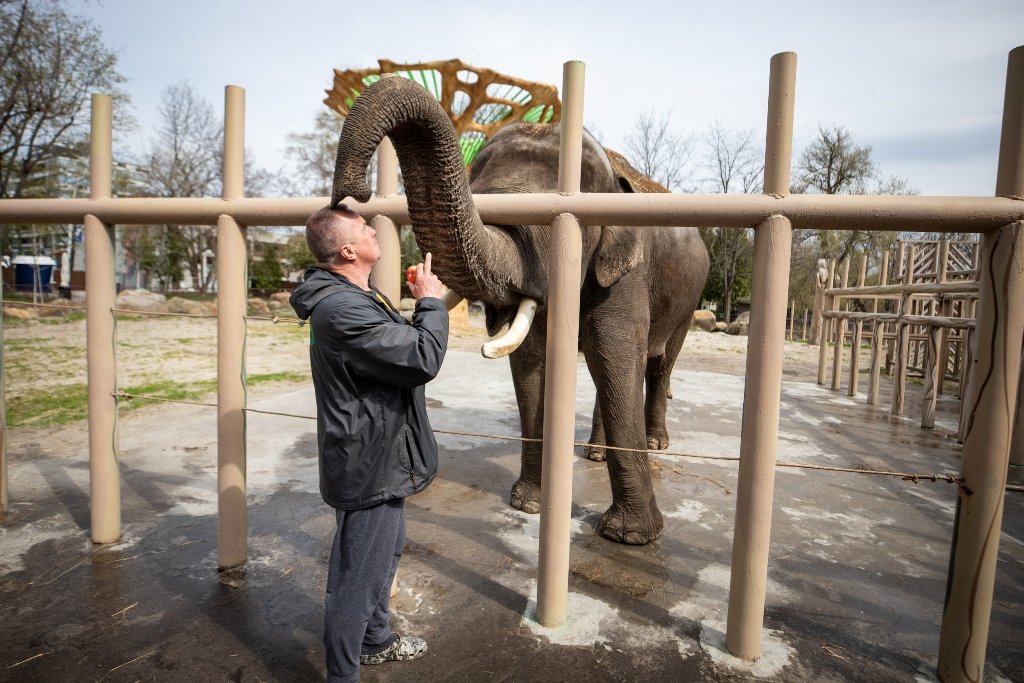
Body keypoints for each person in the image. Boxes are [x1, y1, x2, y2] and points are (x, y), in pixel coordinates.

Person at [289, 204, 449, 683]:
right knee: (356, 578)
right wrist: (431, 303)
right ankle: (342, 674)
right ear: (348, 249)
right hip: (369, 459)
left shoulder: (356, 295)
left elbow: (394, 346)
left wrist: (422, 302)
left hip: (379, 451)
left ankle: (376, 640)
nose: (373, 230)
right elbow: (420, 357)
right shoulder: (342, 309)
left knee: (385, 554)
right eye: (364, 228)